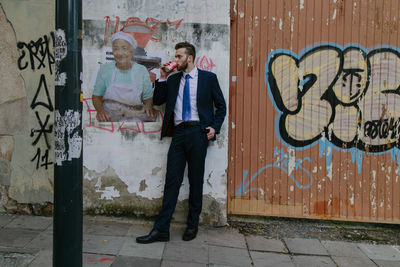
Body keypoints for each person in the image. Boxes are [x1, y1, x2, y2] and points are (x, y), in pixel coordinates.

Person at [136, 42, 226, 243]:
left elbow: (221, 106)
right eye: (175, 56)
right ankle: (161, 230)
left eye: (179, 56)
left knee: (196, 180)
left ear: (190, 57)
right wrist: (162, 77)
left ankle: (192, 225)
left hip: (198, 133)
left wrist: (214, 127)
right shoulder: (174, 80)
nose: (175, 60)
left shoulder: (208, 79)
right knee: (172, 182)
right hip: (178, 134)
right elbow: (158, 100)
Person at [92, 31, 155, 122]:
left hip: (134, 119)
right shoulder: (105, 69)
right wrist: (100, 111)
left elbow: (147, 98)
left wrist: (148, 106)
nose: (119, 53)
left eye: (124, 48)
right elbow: (96, 97)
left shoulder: (141, 70)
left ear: (132, 51)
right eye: (116, 49)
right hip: (109, 121)